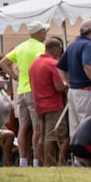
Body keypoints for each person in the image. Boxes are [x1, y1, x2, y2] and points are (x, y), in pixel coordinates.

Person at [2, 22, 48, 167]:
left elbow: (4, 62)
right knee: (37, 127)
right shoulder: (41, 47)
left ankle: (23, 160)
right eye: (44, 31)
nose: (45, 34)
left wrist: (14, 76)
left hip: (20, 91)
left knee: (23, 127)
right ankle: (36, 160)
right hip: (35, 90)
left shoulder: (20, 47)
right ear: (39, 33)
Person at [29, 36, 69, 167]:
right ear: (56, 49)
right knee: (53, 135)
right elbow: (58, 86)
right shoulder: (52, 64)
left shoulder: (34, 64)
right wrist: (66, 84)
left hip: (39, 104)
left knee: (42, 136)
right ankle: (49, 162)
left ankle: (40, 162)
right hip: (53, 103)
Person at [60, 19, 91, 143]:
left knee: (75, 126)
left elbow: (60, 66)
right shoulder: (88, 45)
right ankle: (85, 156)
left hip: (73, 91)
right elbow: (87, 66)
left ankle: (76, 158)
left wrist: (66, 81)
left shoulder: (73, 44)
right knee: (87, 124)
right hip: (86, 91)